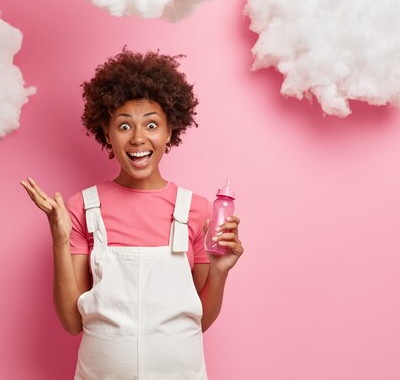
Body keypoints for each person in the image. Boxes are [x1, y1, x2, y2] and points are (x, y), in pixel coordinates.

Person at [21, 49, 244, 380]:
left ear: (170, 131)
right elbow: (71, 323)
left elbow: (200, 320)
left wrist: (221, 271)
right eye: (124, 125)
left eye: (152, 124)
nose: (138, 138)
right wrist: (60, 241)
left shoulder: (196, 211)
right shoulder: (82, 208)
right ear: (107, 133)